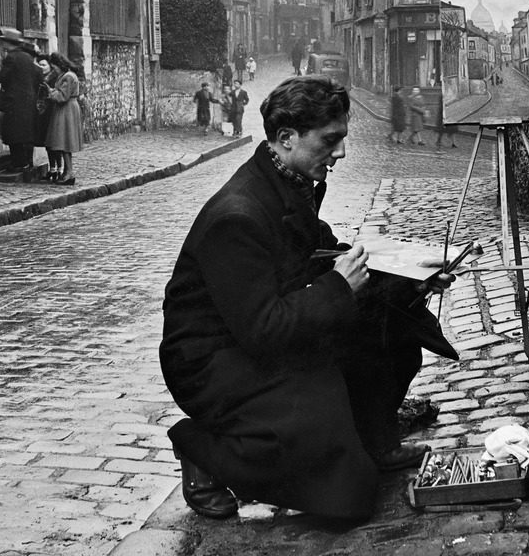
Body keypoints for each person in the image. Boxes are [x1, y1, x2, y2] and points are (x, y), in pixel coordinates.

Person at [159, 76, 445, 522]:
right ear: (286, 138)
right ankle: (202, 448)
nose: (342, 152)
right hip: (215, 364)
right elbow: (263, 329)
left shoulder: (286, 181)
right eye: (330, 140)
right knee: (347, 495)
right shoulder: (237, 216)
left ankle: (373, 439)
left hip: (266, 339)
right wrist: (337, 288)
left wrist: (409, 281)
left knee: (392, 326)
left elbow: (323, 257)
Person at [0, 27, 42, 172]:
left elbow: (1, 77)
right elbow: (37, 76)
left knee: (13, 133)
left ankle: (18, 164)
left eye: (3, 41)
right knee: (24, 133)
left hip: (14, 101)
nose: (1, 44)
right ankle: (26, 162)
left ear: (8, 42)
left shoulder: (11, 58)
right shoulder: (27, 57)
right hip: (27, 101)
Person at [45, 52, 83, 185]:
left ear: (58, 64)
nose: (53, 69)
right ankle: (68, 171)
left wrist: (50, 92)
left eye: (54, 66)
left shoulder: (67, 76)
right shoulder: (68, 75)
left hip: (66, 110)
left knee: (64, 142)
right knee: (65, 142)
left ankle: (69, 173)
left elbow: (62, 96)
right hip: (68, 109)